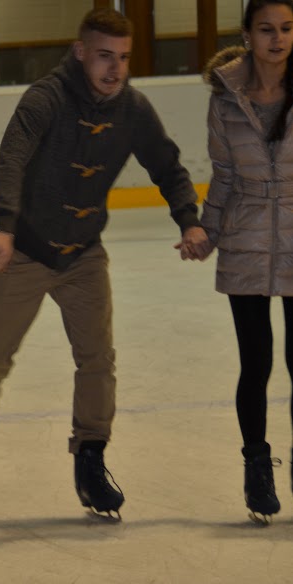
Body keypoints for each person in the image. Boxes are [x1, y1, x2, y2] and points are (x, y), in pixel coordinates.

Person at [0, 8, 211, 518]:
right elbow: (11, 160)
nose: (115, 69)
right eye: (104, 57)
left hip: (84, 254)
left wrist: (189, 221)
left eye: (124, 58)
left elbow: (169, 166)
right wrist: (3, 225)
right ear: (80, 52)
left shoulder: (132, 108)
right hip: (25, 250)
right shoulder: (44, 99)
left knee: (97, 360)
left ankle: (90, 457)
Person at [199, 0, 293, 522]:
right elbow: (224, 176)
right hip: (247, 237)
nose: (277, 39)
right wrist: (206, 232)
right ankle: (257, 465)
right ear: (248, 35)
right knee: (255, 362)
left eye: (286, 28)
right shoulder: (226, 99)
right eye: (266, 29)